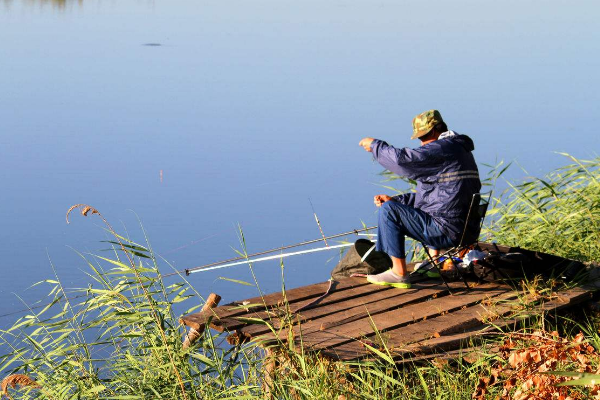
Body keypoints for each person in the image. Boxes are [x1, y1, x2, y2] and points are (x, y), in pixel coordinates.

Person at [358, 110, 481, 289]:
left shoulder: (442, 148)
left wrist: (376, 146)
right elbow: (437, 197)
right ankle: (435, 263)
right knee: (394, 205)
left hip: (447, 231)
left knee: (388, 211)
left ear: (435, 130)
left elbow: (403, 161)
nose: (422, 143)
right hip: (465, 230)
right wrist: (397, 200)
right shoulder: (459, 150)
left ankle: (399, 273)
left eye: (423, 136)